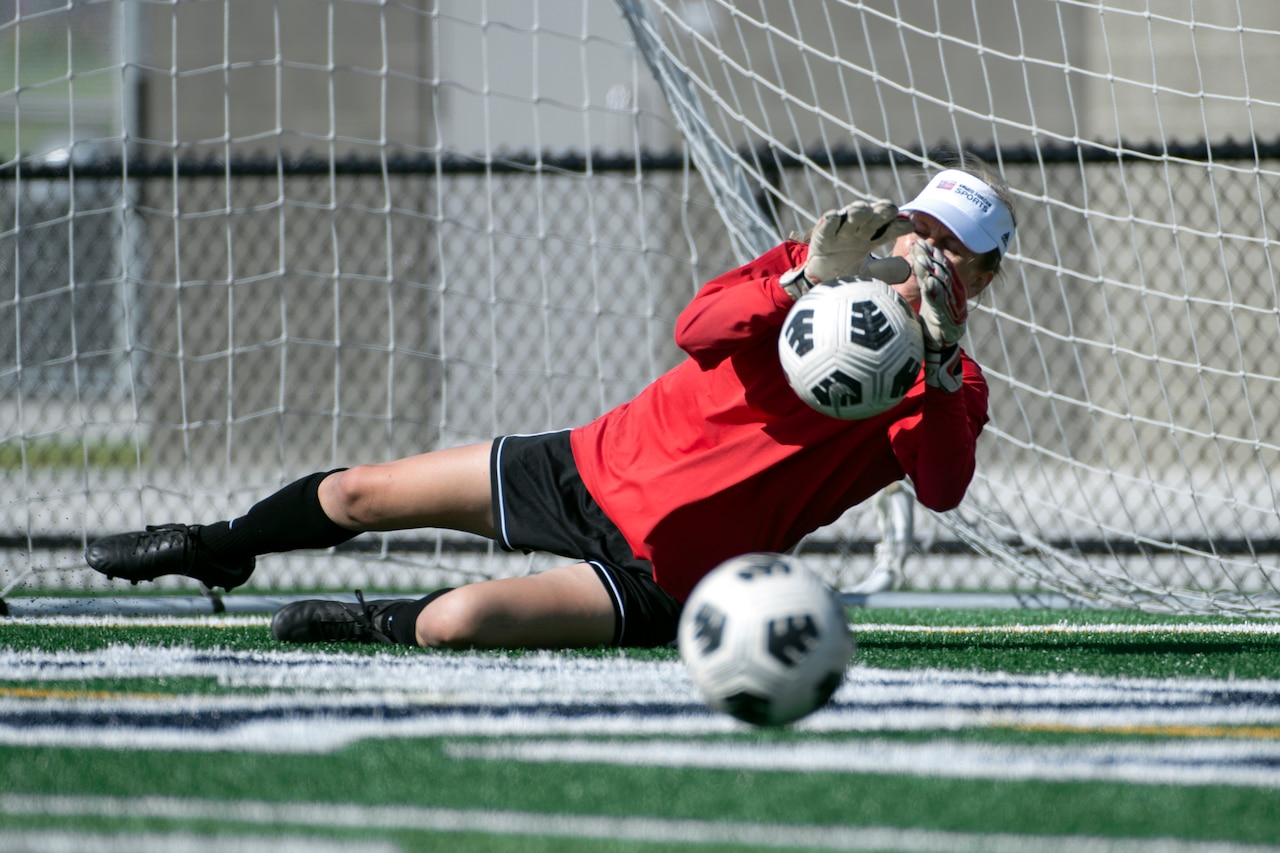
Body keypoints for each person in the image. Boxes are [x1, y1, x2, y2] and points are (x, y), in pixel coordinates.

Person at [85, 162, 1016, 650]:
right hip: (587, 461)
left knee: (458, 624)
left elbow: (940, 489)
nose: (926, 251)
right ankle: (217, 546)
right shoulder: (814, 266)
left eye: (954, 247)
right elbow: (696, 327)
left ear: (980, 276)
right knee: (363, 491)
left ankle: (371, 618)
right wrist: (800, 278)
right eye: (919, 226)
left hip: (666, 571)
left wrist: (934, 362)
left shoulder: (953, 384)